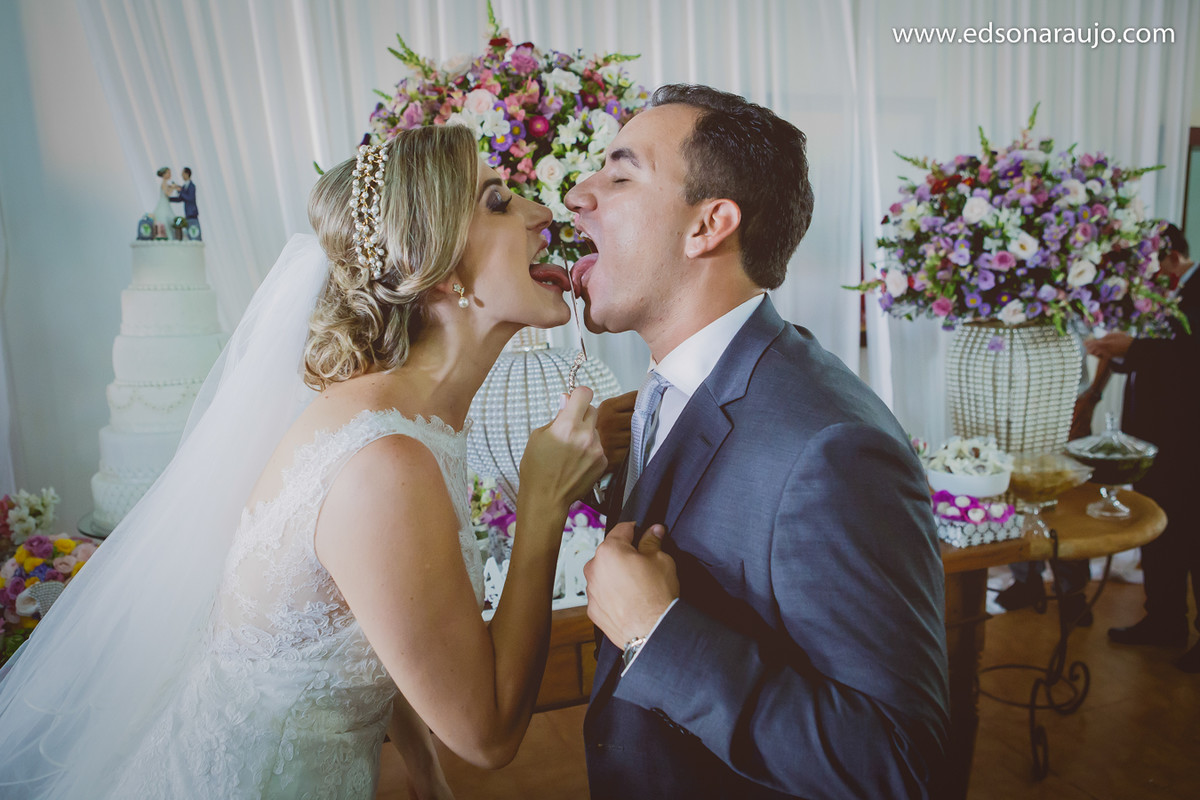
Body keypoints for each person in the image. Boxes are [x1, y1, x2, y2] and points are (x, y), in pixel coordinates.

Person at [0, 125, 608, 797]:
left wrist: (428, 778)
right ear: (434, 267)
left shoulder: (400, 418)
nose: (542, 212)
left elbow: (374, 620)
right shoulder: (385, 463)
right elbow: (487, 736)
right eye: (497, 202)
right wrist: (544, 504)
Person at [565, 84, 949, 799]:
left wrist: (655, 632)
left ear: (708, 224)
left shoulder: (830, 447)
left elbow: (895, 764)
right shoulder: (661, 394)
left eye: (619, 177)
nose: (576, 195)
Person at [1087, 222, 1200, 673]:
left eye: (1150, 268)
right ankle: (1164, 619)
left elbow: (1187, 356)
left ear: (1172, 257)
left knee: (1192, 534)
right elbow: (1155, 355)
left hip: (1188, 437)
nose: (1146, 280)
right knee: (1160, 528)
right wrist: (1118, 352)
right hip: (1154, 437)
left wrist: (1134, 347)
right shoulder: (1162, 295)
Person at [169, 166, 200, 239]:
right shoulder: (184, 186)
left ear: (187, 174)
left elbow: (190, 198)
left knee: (194, 233)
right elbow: (180, 199)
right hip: (187, 214)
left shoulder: (192, 186)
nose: (182, 175)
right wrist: (169, 199)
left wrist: (180, 191)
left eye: (183, 174)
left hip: (192, 213)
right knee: (189, 233)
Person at [152, 166, 180, 238]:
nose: (170, 174)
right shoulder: (164, 183)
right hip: (163, 205)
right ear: (164, 174)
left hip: (166, 204)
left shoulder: (166, 184)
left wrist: (174, 187)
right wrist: (173, 187)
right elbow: (168, 194)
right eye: (168, 173)